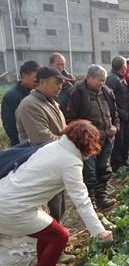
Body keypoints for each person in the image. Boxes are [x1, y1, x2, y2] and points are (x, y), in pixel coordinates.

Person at [0, 120, 113, 266]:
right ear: (87, 144)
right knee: (60, 236)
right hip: (12, 209)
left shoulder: (54, 146)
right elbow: (82, 200)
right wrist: (99, 231)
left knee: (49, 227)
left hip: (6, 197)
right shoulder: (70, 162)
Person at [59, 65, 118, 209]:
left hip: (107, 138)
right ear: (89, 77)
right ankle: (90, 203)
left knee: (103, 169)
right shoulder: (76, 93)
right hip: (88, 141)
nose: (102, 83)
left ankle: (101, 198)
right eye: (100, 80)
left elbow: (114, 113)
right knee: (89, 173)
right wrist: (83, 134)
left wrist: (116, 126)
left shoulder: (107, 92)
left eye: (103, 81)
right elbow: (68, 118)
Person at [16, 66, 67, 222]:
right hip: (42, 163)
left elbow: (61, 131)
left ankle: (59, 233)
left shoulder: (50, 101)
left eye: (62, 83)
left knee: (58, 201)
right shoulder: (30, 105)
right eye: (56, 82)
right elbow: (42, 139)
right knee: (49, 207)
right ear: (42, 82)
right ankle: (52, 237)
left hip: (55, 159)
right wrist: (70, 144)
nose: (60, 87)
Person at [1, 60, 40, 146]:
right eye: (35, 77)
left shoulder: (37, 94)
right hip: (23, 146)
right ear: (24, 76)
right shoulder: (12, 96)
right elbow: (11, 127)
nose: (37, 81)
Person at [106, 56, 129, 171]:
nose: (126, 69)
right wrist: (118, 113)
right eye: (125, 67)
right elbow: (110, 99)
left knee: (126, 139)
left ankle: (124, 160)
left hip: (124, 114)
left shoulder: (121, 78)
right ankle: (117, 165)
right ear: (123, 67)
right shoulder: (112, 79)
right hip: (118, 116)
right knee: (119, 141)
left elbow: (128, 93)